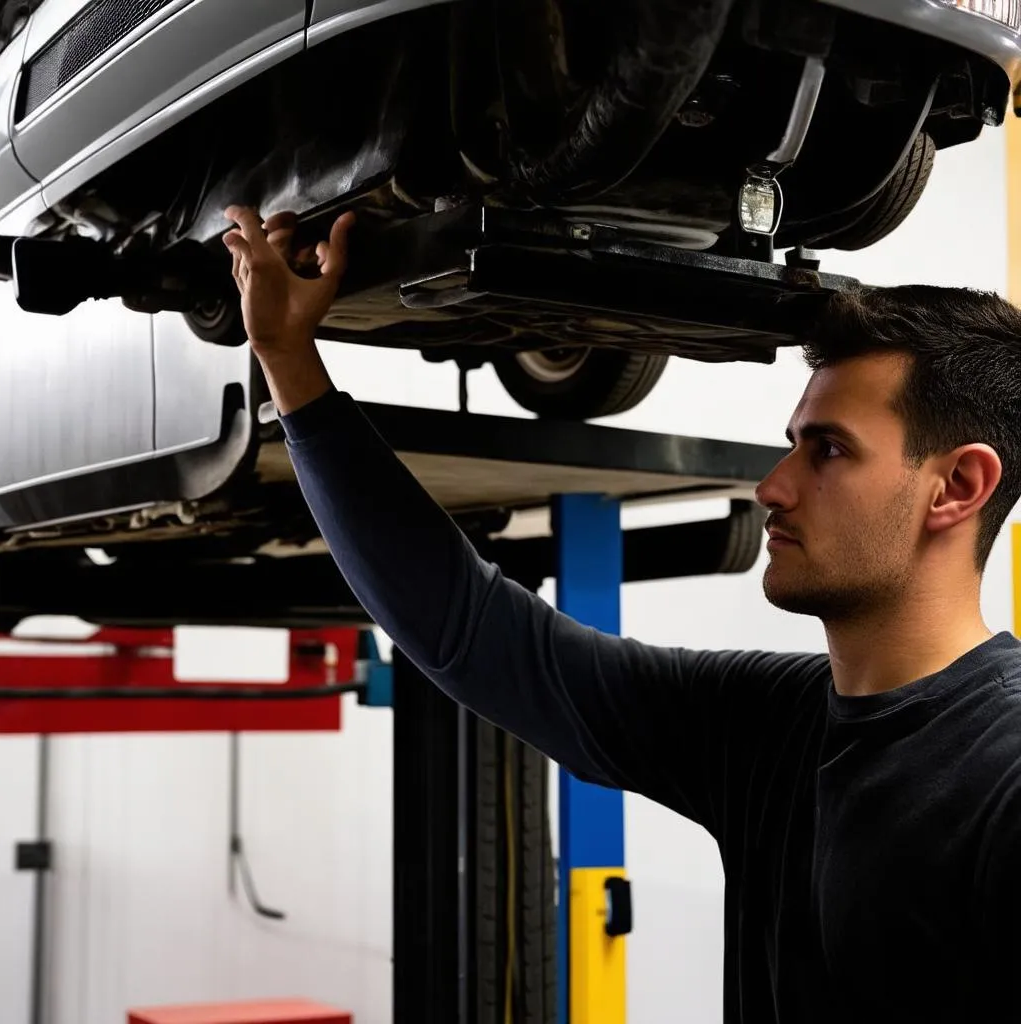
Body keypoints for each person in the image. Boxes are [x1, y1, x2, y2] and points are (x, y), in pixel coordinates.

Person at [222, 204, 1021, 1024]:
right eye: (793, 444)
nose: (774, 486)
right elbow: (473, 634)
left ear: (957, 488)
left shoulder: (1004, 778)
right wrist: (289, 361)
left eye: (829, 450)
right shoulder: (772, 726)